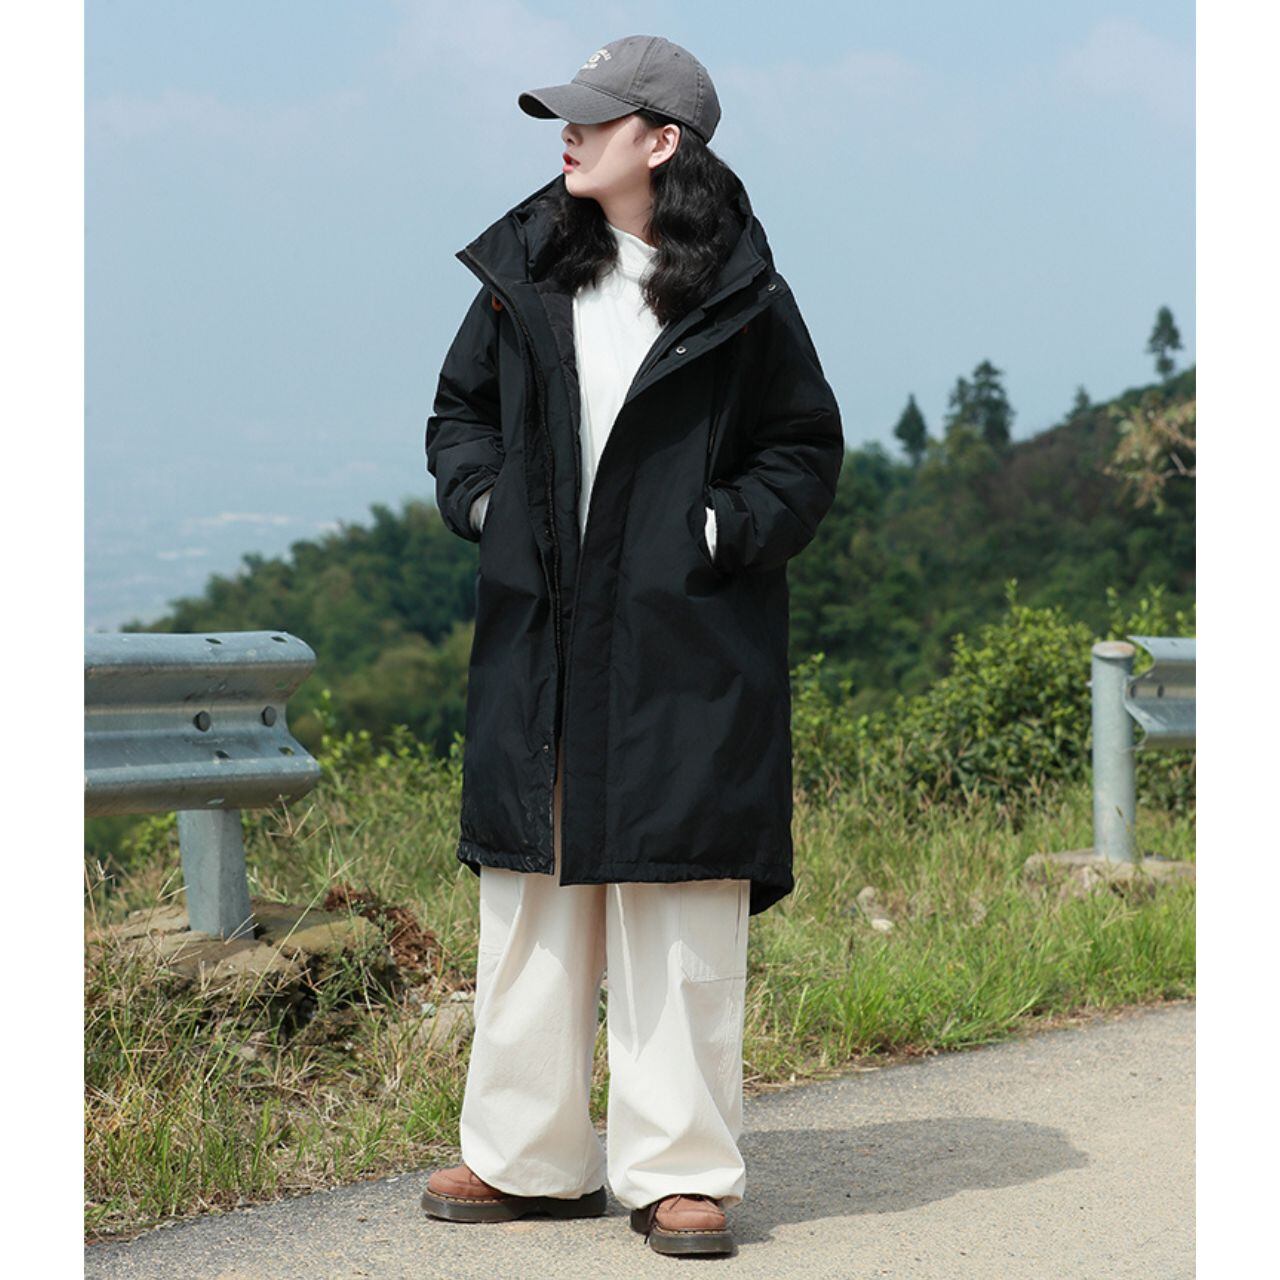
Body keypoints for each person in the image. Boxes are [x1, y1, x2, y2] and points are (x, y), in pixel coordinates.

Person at [421, 34, 844, 1259]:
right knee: (533, 903)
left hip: (684, 643)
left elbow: (800, 449)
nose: (568, 132)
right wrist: (488, 507)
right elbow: (460, 414)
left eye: (595, 118)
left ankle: (679, 1171)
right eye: (566, 115)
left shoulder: (741, 295)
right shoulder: (521, 272)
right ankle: (526, 1158)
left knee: (678, 904)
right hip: (546, 634)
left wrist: (716, 529)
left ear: (661, 142)